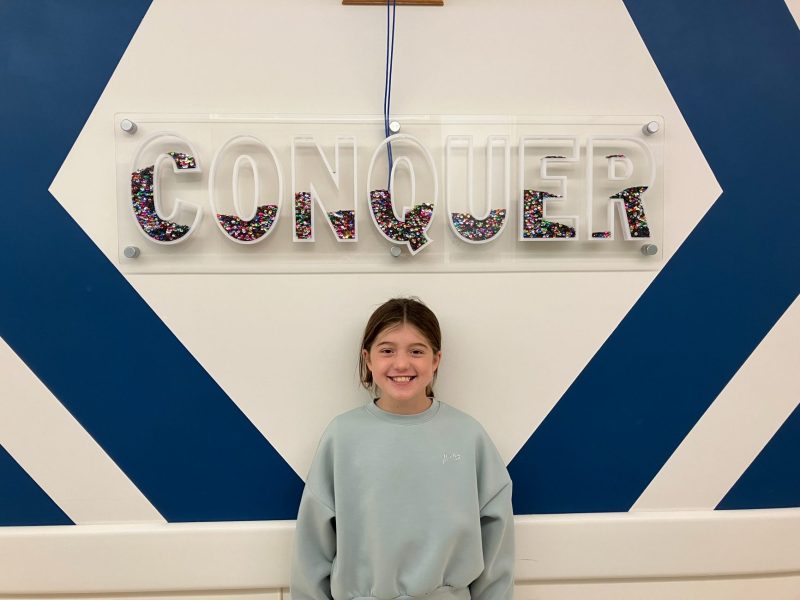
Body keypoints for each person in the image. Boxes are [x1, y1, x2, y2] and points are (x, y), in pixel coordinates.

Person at [290, 297, 515, 600]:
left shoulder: (468, 436)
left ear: (436, 360)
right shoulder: (341, 436)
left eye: (416, 351)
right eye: (387, 350)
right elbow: (311, 551)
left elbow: (497, 546)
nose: (401, 364)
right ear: (368, 359)